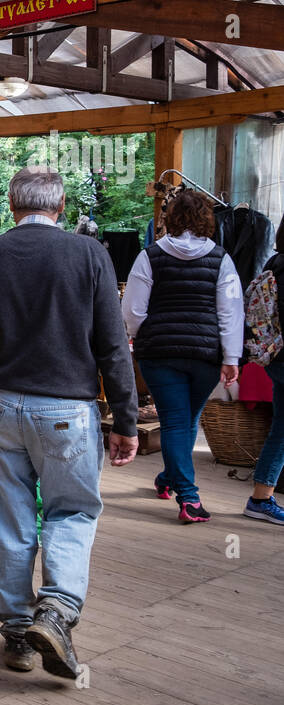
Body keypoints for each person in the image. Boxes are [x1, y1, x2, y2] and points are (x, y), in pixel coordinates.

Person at [0, 166, 138, 679]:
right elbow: (112, 345)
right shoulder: (89, 254)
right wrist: (126, 418)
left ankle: (17, 636)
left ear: (12, 207)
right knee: (71, 513)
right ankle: (55, 612)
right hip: (67, 412)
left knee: (10, 522)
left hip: (2, 405)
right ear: (60, 207)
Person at [123, 191, 243, 523]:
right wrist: (231, 357)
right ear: (207, 221)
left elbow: (132, 310)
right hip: (205, 354)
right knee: (185, 421)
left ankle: (169, 480)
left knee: (179, 421)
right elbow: (231, 313)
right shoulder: (222, 260)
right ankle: (188, 498)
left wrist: (140, 334)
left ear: (170, 218)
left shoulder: (149, 256)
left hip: (159, 354)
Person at [246, 222, 284, 527]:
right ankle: (260, 497)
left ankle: (261, 496)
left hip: (275, 355)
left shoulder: (274, 263)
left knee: (281, 429)